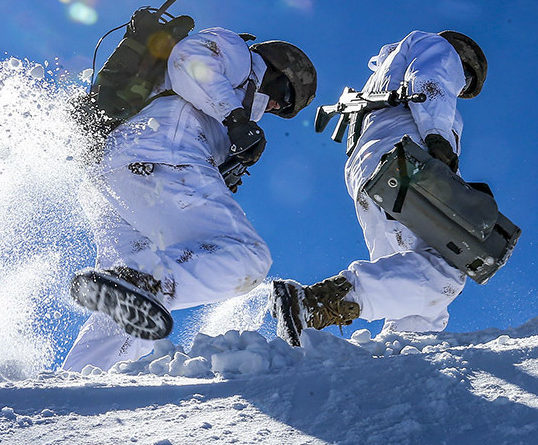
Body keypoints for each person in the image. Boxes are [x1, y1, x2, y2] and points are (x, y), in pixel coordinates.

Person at [62, 27, 317, 371]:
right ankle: (146, 280)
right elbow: (190, 59)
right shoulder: (241, 57)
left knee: (127, 304)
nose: (275, 107)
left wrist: (227, 162)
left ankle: (80, 378)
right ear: (276, 68)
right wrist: (235, 117)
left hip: (117, 179)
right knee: (246, 255)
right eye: (285, 97)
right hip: (159, 157)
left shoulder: (224, 102)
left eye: (283, 110)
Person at [270, 30, 488, 345]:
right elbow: (431, 81)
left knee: (408, 273)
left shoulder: (386, 74)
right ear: (463, 61)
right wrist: (438, 135)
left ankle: (404, 347)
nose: (461, 85)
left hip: (372, 172)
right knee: (448, 264)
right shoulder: (437, 48)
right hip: (408, 159)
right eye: (465, 80)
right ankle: (312, 303)